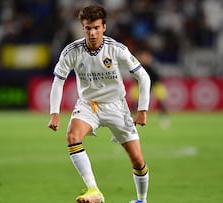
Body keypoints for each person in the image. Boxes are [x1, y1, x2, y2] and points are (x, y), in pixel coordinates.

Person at [48, 5, 151, 203]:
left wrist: (142, 110)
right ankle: (93, 190)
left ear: (104, 27)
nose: (92, 33)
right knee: (72, 136)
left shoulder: (116, 49)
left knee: (137, 160)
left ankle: (141, 200)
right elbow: (58, 81)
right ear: (83, 28)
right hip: (88, 105)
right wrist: (54, 113)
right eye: (88, 28)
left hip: (117, 107)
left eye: (96, 27)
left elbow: (143, 77)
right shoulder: (72, 51)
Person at [137, 48, 170, 129]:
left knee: (162, 103)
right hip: (142, 85)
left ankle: (164, 119)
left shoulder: (153, 65)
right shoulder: (139, 65)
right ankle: (135, 119)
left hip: (155, 84)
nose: (144, 58)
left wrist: (150, 65)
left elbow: (158, 76)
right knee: (135, 102)